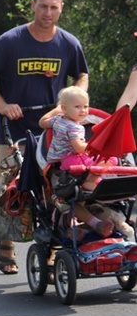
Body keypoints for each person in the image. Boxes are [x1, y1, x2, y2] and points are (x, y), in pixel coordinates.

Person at [0, 0, 89, 274]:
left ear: (61, 8)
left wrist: (70, 105)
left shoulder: (68, 43)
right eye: (43, 6)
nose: (48, 12)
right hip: (14, 129)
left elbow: (81, 76)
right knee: (11, 187)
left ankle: (50, 249)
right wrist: (2, 105)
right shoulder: (10, 41)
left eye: (54, 7)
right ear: (33, 5)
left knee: (54, 189)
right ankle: (6, 244)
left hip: (54, 130)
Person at [39, 87, 115, 236]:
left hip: (60, 160)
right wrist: (96, 147)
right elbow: (79, 148)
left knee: (98, 160)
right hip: (70, 160)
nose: (83, 110)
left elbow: (42, 122)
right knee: (107, 158)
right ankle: (93, 180)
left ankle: (94, 178)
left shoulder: (57, 120)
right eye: (77, 107)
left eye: (86, 106)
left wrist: (57, 111)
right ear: (65, 108)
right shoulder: (74, 127)